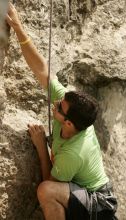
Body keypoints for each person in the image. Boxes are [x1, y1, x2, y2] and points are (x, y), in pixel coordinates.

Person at [6, 3, 118, 220]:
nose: (55, 104)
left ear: (68, 123)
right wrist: (19, 28)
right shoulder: (70, 107)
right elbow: (42, 70)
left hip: (99, 203)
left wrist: (41, 146)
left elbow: (50, 182)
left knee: (46, 191)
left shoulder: (73, 153)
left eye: (59, 108)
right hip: (80, 188)